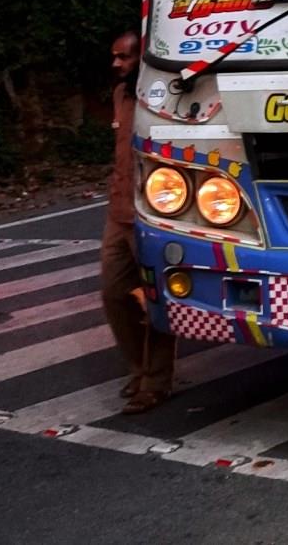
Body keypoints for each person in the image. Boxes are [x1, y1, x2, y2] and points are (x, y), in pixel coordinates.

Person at [102, 32, 176, 412]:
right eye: (115, 57)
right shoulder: (120, 95)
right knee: (114, 295)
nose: (116, 64)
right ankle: (138, 368)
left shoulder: (161, 97)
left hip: (153, 213)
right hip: (119, 212)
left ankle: (155, 381)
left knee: (156, 299)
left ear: (142, 60)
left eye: (124, 58)